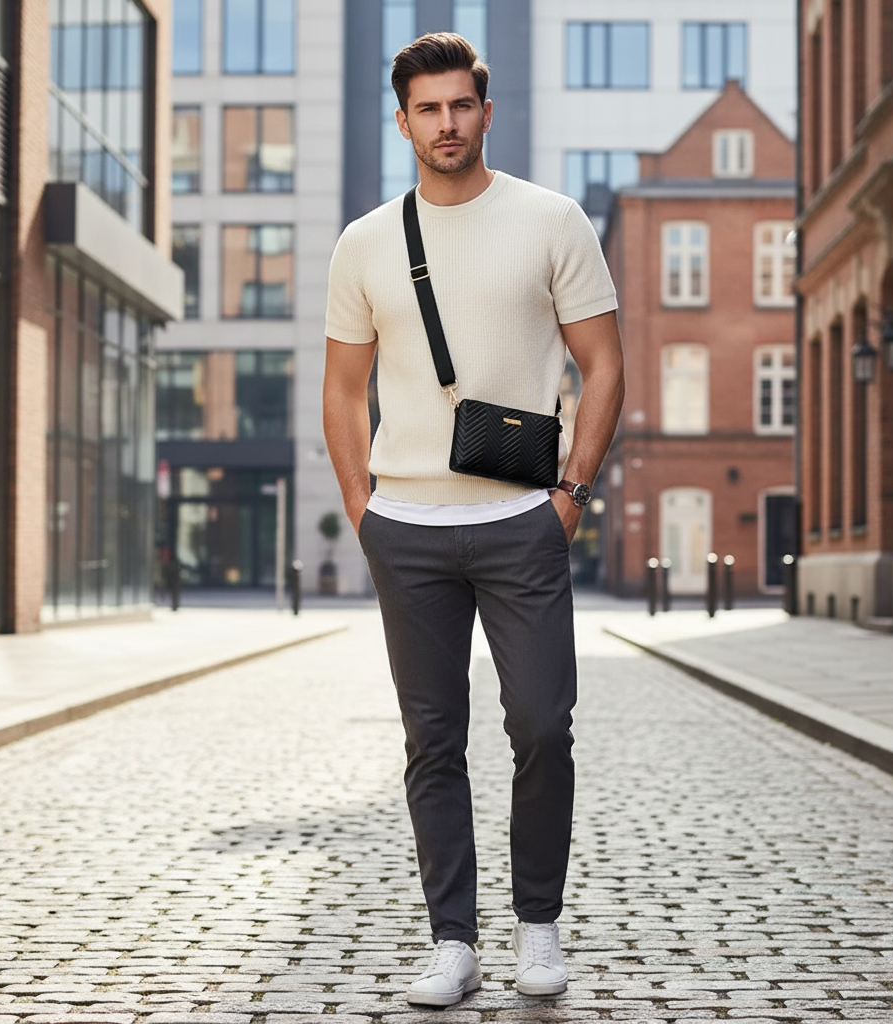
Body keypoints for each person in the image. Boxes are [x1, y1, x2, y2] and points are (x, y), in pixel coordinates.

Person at [322, 32, 624, 1008]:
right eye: (427, 108)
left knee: (541, 725)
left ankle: (537, 923)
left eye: (461, 105)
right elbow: (342, 388)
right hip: (405, 529)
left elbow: (604, 364)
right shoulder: (365, 241)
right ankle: (453, 941)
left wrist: (568, 495)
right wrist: (362, 512)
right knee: (432, 740)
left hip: (521, 521)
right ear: (401, 119)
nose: (446, 123)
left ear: (484, 112)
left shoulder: (550, 221)